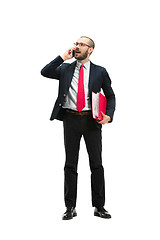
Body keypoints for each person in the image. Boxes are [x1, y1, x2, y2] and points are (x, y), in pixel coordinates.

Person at [41, 36, 116, 220]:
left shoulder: (100, 71)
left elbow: (111, 96)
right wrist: (62, 57)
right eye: (76, 43)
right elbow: (45, 71)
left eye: (82, 44)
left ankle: (99, 206)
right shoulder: (65, 69)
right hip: (70, 119)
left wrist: (109, 115)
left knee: (96, 164)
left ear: (90, 49)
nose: (77, 46)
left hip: (92, 121)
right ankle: (70, 207)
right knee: (70, 164)